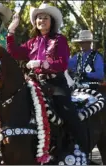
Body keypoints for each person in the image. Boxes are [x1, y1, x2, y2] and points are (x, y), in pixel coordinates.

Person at [7, 3, 89, 154]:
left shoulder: (59, 39)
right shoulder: (32, 42)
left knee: (68, 112)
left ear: (51, 22)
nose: (41, 20)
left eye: (45, 18)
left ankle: (82, 150)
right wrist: (11, 31)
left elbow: (62, 64)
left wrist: (41, 63)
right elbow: (14, 53)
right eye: (38, 18)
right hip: (34, 82)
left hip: (55, 83)